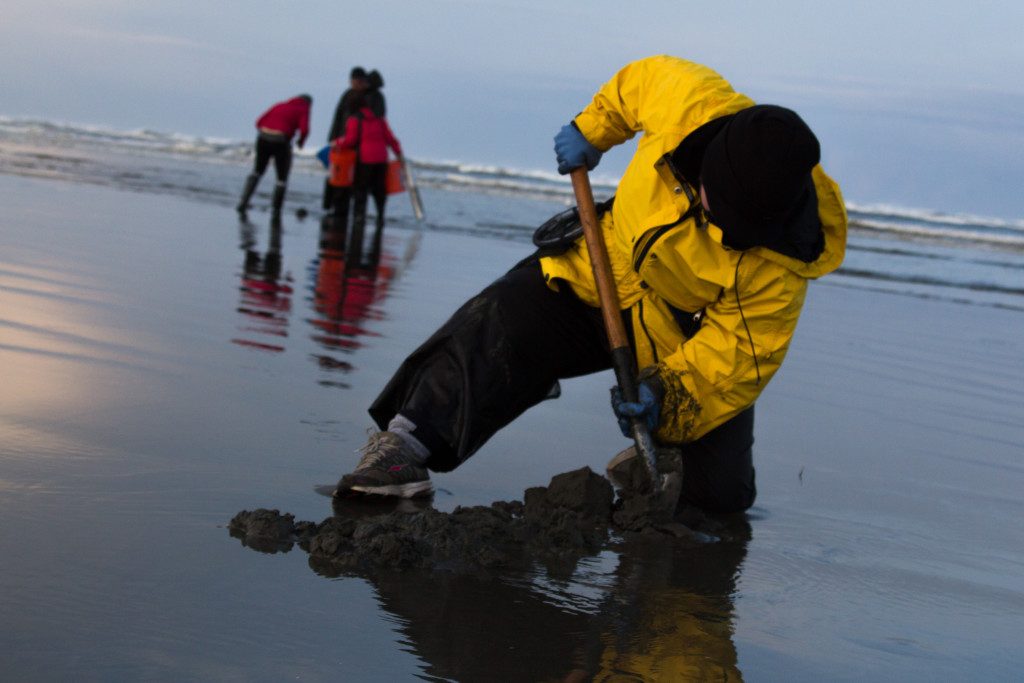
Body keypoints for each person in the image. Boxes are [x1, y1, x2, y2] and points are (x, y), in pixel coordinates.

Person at [334, 55, 848, 509]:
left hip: (678, 337)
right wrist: (593, 129)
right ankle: (404, 449)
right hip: (598, 267)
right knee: (500, 321)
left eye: (744, 224)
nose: (725, 226)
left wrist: (667, 394)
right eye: (725, 207)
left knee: (719, 496)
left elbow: (737, 357)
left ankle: (655, 474)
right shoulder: (693, 102)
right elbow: (639, 83)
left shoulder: (785, 260)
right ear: (710, 163)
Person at [330, 94, 403, 265]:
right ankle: (380, 217)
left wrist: (338, 143)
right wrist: (398, 153)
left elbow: (351, 140)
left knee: (361, 190)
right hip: (381, 159)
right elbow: (390, 138)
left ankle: (359, 218)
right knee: (379, 191)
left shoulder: (355, 119)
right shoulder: (379, 119)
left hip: (365, 159)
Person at [236, 94, 311, 218]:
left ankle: (243, 202)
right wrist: (300, 142)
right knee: (281, 178)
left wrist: (267, 131)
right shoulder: (303, 109)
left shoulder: (280, 105)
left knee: (257, 171)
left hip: (263, 138)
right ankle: (276, 209)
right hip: (281, 140)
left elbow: (258, 122)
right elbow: (304, 130)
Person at [322, 67, 373, 211]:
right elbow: (338, 115)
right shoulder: (347, 94)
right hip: (342, 142)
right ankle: (334, 208)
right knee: (337, 175)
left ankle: (348, 210)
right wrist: (333, 138)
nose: (354, 84)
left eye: (357, 81)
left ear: (363, 81)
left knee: (354, 179)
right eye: (352, 81)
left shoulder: (372, 96)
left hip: (359, 146)